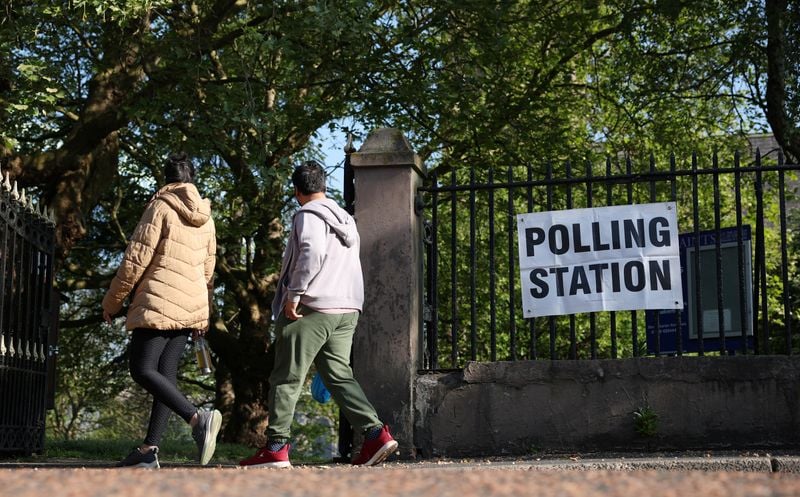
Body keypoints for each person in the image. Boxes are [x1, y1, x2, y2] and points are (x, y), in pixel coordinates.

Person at [239, 160, 398, 468]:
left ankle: (276, 448)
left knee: (286, 377)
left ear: (297, 191)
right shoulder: (346, 218)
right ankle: (375, 434)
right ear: (323, 186)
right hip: (347, 308)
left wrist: (294, 295)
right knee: (338, 375)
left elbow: (311, 253)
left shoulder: (307, 215)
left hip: (313, 307)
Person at [102, 153, 221, 469]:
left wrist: (112, 302)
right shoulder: (207, 218)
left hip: (158, 301)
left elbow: (135, 260)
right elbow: (208, 271)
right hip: (190, 306)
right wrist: (203, 313)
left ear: (166, 179)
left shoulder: (160, 207)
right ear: (192, 179)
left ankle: (197, 418)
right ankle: (149, 450)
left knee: (141, 369)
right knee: (164, 376)